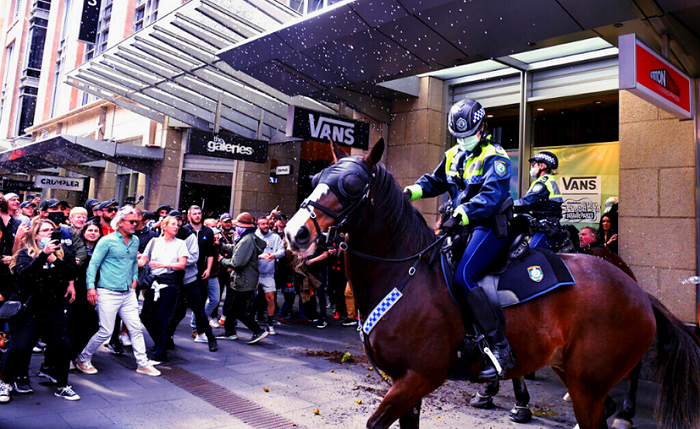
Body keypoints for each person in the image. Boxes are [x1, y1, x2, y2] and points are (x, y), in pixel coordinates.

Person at [403, 98, 514, 381]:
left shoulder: (496, 155)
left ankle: (501, 349)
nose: (464, 141)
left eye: (469, 135)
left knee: (464, 276)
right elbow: (435, 181)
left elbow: (492, 197)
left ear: (482, 127)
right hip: (460, 228)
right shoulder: (453, 154)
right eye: (459, 137)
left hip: (487, 226)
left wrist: (462, 213)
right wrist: (411, 191)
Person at [75, 206, 160, 377]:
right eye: (132, 222)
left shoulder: (135, 240)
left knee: (136, 328)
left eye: (137, 222)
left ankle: (142, 363)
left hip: (128, 292)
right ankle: (83, 358)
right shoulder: (107, 241)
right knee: (105, 330)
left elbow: (134, 262)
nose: (135, 224)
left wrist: (135, 280)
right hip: (107, 291)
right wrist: (91, 288)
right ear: (120, 223)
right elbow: (94, 265)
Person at [5, 219, 79, 400]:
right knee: (20, 346)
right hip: (29, 308)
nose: (49, 233)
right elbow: (23, 276)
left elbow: (72, 273)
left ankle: (62, 385)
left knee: (62, 346)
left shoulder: (63, 254)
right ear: (36, 235)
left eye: (52, 230)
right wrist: (42, 256)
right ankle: (6, 382)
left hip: (54, 307)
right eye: (45, 231)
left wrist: (54, 259)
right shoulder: (25, 253)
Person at [139, 216, 189, 363]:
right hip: (154, 283)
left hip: (170, 283)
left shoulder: (180, 244)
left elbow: (181, 265)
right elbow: (144, 260)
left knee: (163, 317)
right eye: (173, 224)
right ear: (164, 226)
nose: (176, 227)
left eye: (178, 225)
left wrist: (164, 265)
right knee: (146, 316)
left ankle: (160, 353)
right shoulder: (154, 242)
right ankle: (163, 342)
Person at [215, 212, 269, 344]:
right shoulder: (248, 238)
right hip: (243, 280)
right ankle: (230, 332)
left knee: (237, 310)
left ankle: (258, 331)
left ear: (244, 227)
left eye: (238, 225)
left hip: (243, 281)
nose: (235, 228)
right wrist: (221, 245)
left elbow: (236, 263)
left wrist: (221, 260)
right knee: (231, 307)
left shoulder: (246, 240)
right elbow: (236, 250)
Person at [513, 151, 570, 251]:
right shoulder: (543, 181)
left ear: (542, 166)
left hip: (546, 229)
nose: (532, 166)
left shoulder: (544, 182)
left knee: (528, 254)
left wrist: (508, 205)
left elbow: (528, 202)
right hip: (541, 227)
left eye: (534, 163)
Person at [68, 220, 102, 366]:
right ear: (84, 232)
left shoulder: (102, 250)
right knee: (74, 323)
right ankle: (70, 356)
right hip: (77, 289)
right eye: (90, 230)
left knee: (92, 324)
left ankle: (78, 352)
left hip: (93, 289)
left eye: (96, 231)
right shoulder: (77, 249)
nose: (93, 233)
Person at [254, 216, 285, 334]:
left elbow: (282, 251)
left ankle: (270, 323)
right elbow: (248, 253)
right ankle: (250, 319)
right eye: (263, 224)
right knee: (250, 298)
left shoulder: (275, 237)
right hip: (254, 273)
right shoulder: (254, 237)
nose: (266, 226)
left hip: (268, 274)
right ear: (258, 225)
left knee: (271, 297)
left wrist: (274, 255)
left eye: (267, 224)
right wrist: (259, 256)